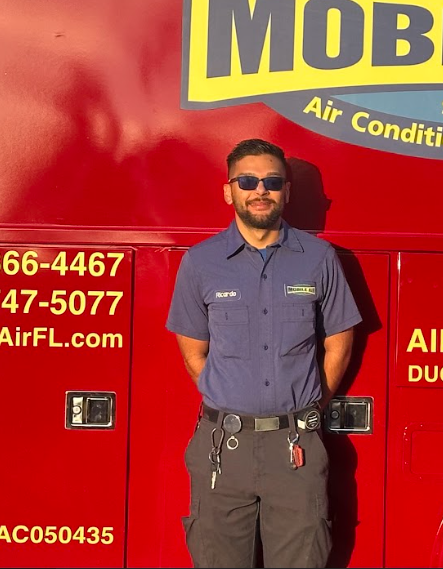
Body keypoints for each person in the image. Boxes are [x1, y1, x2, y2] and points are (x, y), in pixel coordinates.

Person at [166, 138, 361, 568]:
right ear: (229, 189)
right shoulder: (201, 263)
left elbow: (339, 343)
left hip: (297, 449)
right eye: (248, 180)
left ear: (287, 191)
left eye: (272, 181)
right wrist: (233, 400)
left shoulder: (319, 258)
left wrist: (309, 406)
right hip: (223, 448)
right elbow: (194, 354)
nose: (260, 190)